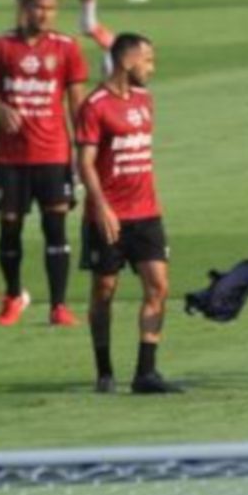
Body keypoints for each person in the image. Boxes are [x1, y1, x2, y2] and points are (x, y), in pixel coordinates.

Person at [0, 0, 91, 327]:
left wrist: (83, 150)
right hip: (11, 157)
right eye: (38, 7)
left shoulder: (66, 48)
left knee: (55, 228)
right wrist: (0, 109)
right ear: (25, 7)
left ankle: (59, 306)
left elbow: (77, 104)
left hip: (53, 154)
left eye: (50, 8)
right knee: (9, 228)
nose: (44, 14)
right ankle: (13, 297)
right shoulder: (2, 46)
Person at [76, 33, 182, 394]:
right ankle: (104, 371)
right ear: (126, 61)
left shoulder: (145, 101)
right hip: (108, 216)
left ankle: (146, 373)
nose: (152, 67)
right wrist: (102, 207)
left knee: (159, 286)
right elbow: (85, 162)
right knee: (104, 289)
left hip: (147, 212)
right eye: (147, 60)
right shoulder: (95, 105)